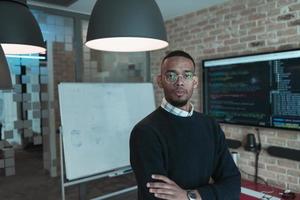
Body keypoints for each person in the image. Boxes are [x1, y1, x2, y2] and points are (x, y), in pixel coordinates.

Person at [130, 50, 241, 200]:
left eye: (187, 75)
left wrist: (189, 196)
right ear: (160, 81)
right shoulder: (145, 132)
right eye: (171, 76)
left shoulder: (210, 125)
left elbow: (233, 184)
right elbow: (155, 198)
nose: (180, 82)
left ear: (194, 82)